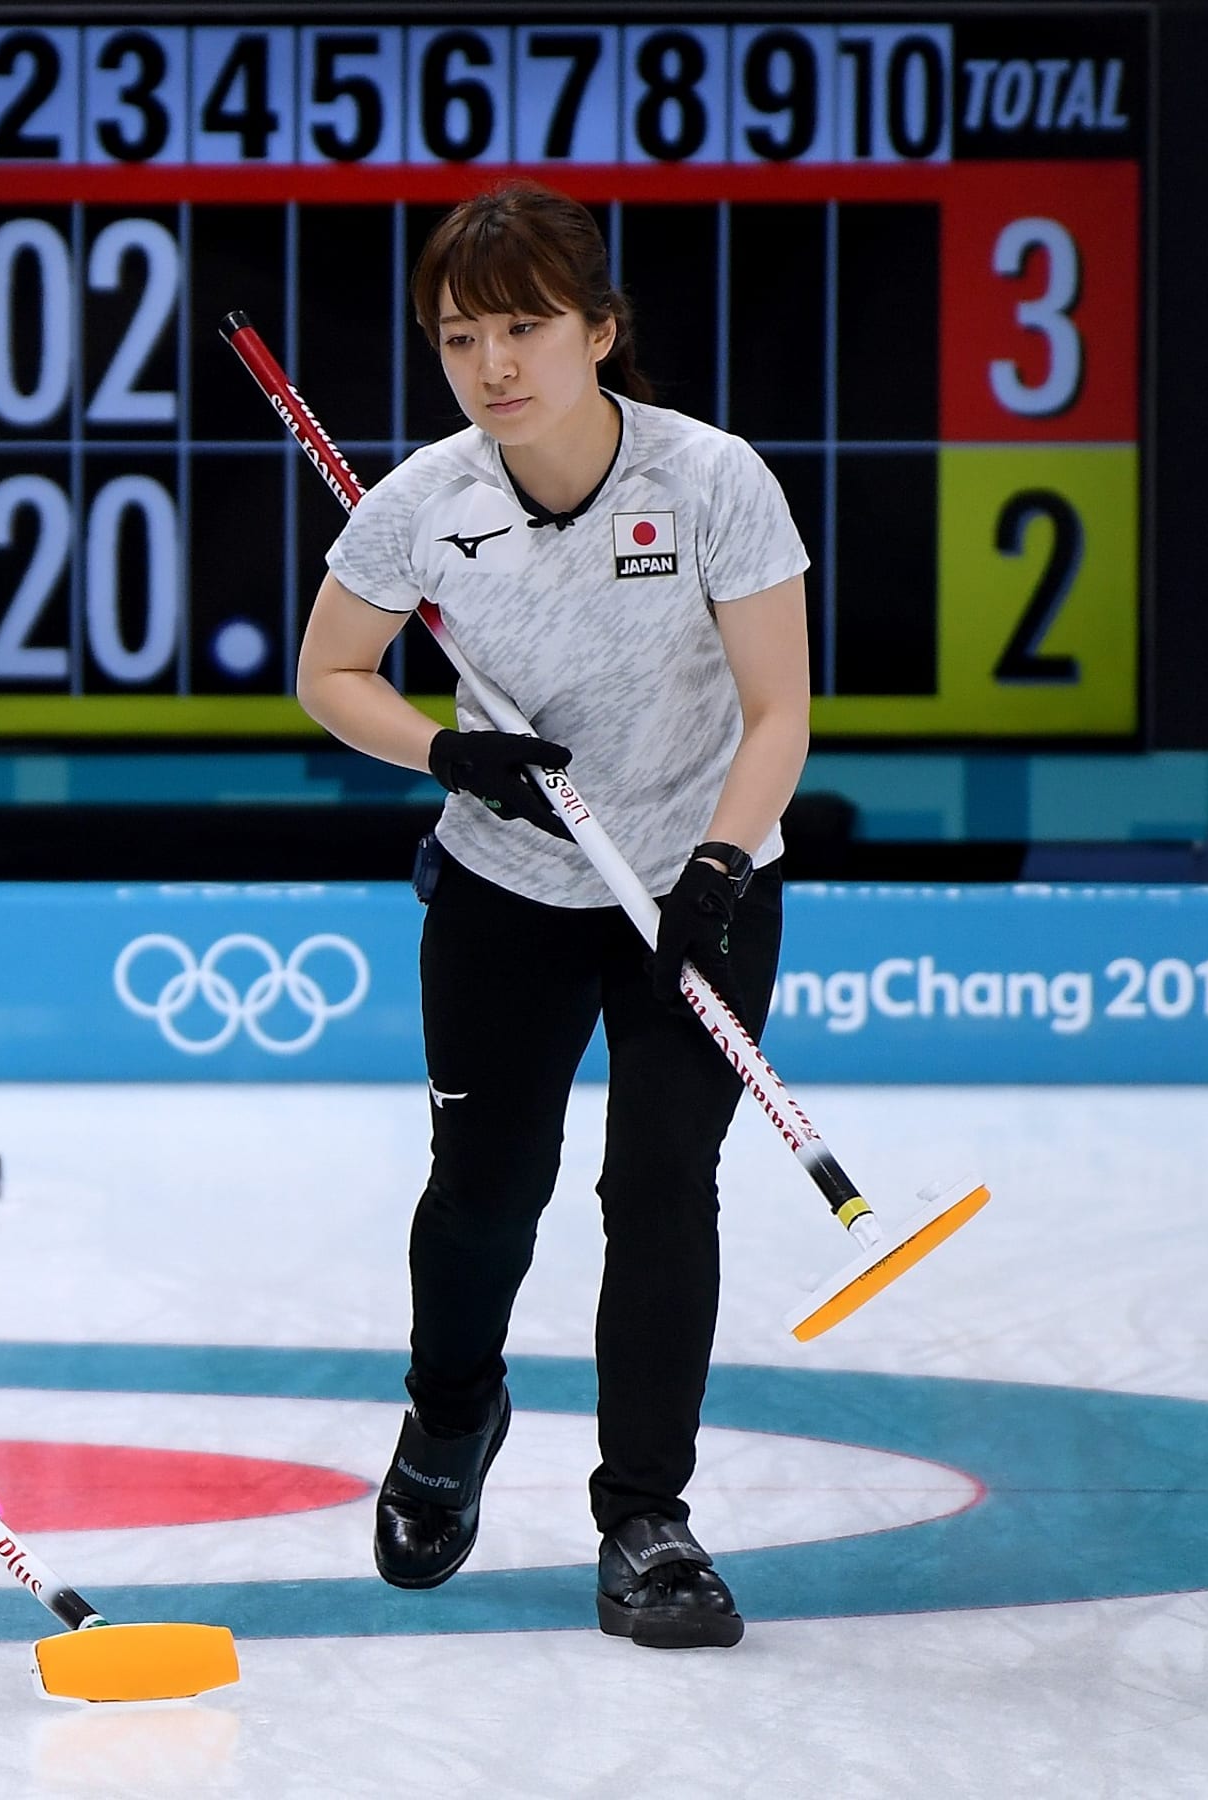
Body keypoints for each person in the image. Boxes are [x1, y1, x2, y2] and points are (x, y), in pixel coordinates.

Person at [293, 181, 811, 1650]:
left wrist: (718, 863)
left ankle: (647, 1519)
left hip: (697, 888)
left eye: (525, 327)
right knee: (486, 1188)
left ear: (601, 330)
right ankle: (451, 1415)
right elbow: (333, 674)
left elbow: (779, 710)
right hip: (509, 890)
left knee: (659, 1186)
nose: (495, 364)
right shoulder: (423, 504)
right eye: (463, 337)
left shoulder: (710, 481)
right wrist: (443, 753)